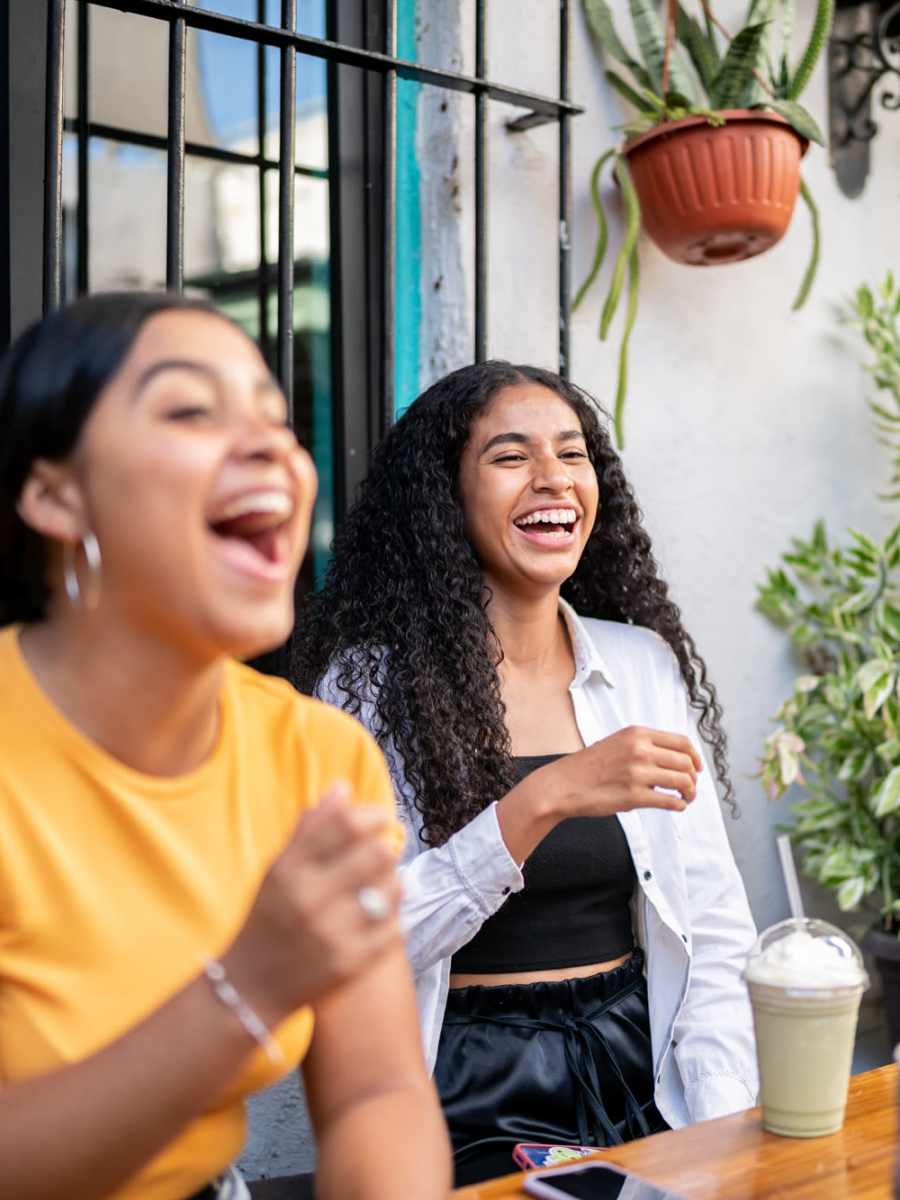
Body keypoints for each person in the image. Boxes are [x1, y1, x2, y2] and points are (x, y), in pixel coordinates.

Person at [0, 292, 451, 1200]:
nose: (271, 449)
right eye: (189, 411)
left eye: (277, 421)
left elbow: (378, 1091)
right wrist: (245, 986)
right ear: (55, 494)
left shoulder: (318, 753)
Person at [293, 361, 760, 1185]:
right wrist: (542, 799)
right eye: (510, 457)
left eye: (573, 454)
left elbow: (713, 924)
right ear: (446, 498)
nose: (553, 479)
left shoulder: (641, 666)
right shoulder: (366, 689)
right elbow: (359, 948)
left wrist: (720, 1123)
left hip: (640, 1058)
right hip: (467, 1075)